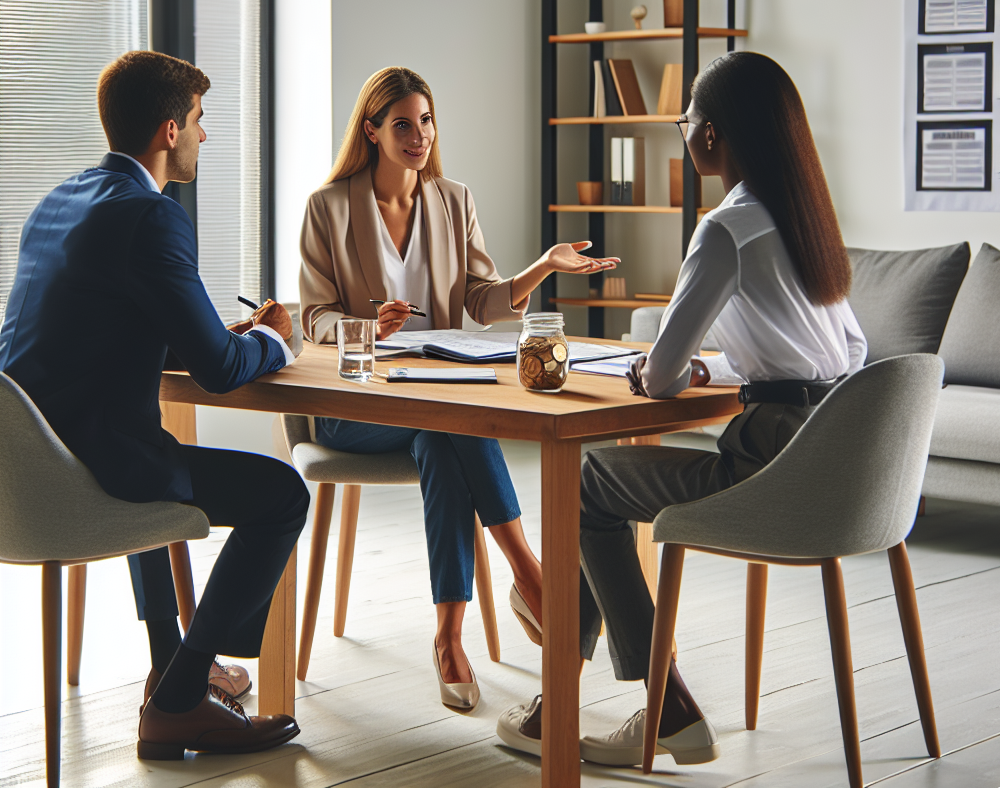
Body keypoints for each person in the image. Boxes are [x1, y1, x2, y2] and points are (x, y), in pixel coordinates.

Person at [496, 51, 867, 766]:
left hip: (768, 462)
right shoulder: (806, 217)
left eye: (686, 118)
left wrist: (666, 368)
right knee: (593, 491)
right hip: (834, 460)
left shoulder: (724, 229)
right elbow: (843, 352)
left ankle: (664, 706)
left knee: (581, 482)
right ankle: (564, 696)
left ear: (711, 136)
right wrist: (716, 366)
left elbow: (660, 377)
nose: (683, 130)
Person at [0, 50, 309, 760]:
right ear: (170, 130)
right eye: (201, 120)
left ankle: (172, 661)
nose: (208, 135)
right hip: (92, 473)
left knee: (150, 445)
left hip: (23, 474)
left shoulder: (60, 200)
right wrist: (272, 338)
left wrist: (204, 333)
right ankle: (179, 698)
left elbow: (98, 327)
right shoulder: (152, 215)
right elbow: (223, 369)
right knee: (282, 493)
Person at [298, 65, 618, 711]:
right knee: (450, 424)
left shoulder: (453, 199)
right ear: (371, 130)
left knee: (443, 433)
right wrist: (363, 325)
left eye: (426, 121)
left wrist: (542, 266)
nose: (419, 135)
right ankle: (530, 573)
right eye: (402, 124)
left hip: (435, 400)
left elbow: (481, 299)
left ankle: (448, 635)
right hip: (353, 402)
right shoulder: (328, 207)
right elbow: (312, 317)